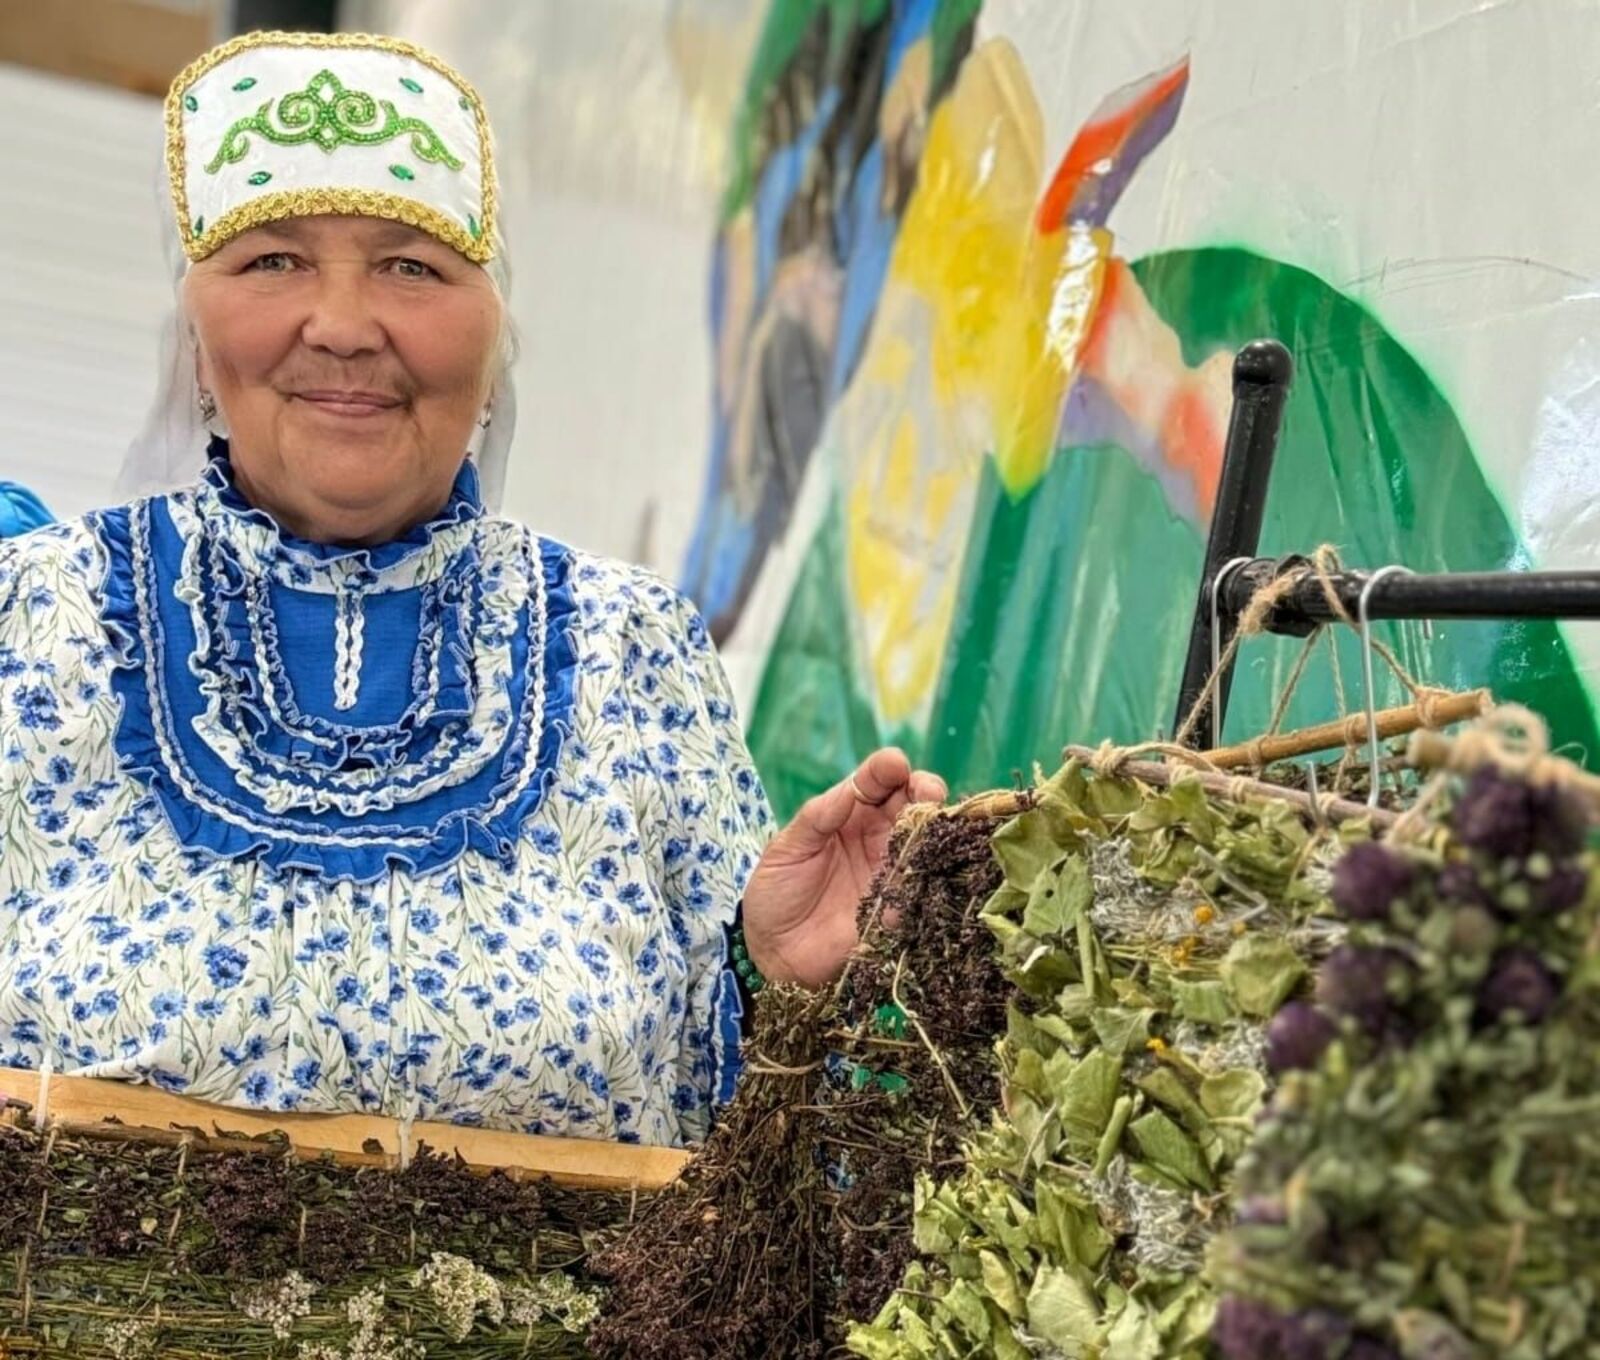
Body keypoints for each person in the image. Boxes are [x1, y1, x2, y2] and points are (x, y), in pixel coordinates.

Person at [0, 30, 945, 1148]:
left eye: (412, 267)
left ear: (496, 344)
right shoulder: (32, 619)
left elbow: (742, 1153)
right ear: (196, 342)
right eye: (272, 261)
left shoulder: (632, 649)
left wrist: (780, 983)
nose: (343, 328)